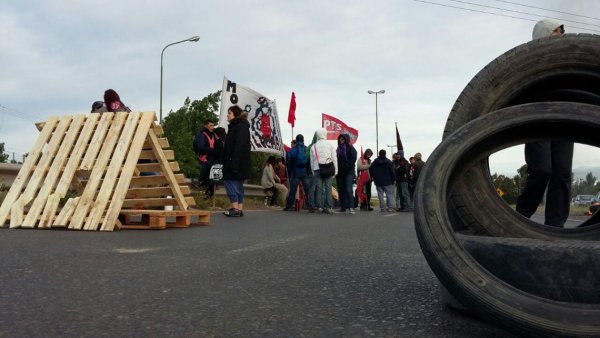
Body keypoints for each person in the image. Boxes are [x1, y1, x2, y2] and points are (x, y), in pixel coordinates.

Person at [516, 19, 571, 227]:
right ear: (544, 35)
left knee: (562, 175)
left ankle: (555, 227)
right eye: (557, 31)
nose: (562, 35)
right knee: (541, 171)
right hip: (538, 121)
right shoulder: (529, 61)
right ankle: (521, 216)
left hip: (566, 122)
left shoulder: (570, 59)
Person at [222, 105, 251, 217]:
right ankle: (238, 208)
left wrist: (234, 163)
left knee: (229, 182)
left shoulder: (239, 127)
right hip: (238, 161)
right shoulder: (239, 126)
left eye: (229, 113)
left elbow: (239, 146)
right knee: (238, 184)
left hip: (235, 161)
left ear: (234, 114)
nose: (227, 116)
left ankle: (235, 208)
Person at [310, 128, 337, 214]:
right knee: (328, 188)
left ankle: (320, 207)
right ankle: (329, 207)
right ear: (325, 134)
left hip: (317, 168)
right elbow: (334, 158)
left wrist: (313, 170)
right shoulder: (330, 145)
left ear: (317, 135)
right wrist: (336, 170)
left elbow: (311, 160)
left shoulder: (313, 146)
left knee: (319, 188)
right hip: (328, 169)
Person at [284, 135, 312, 211]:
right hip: (304, 171)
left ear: (296, 140)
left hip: (296, 171)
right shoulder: (306, 149)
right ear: (303, 140)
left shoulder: (294, 149)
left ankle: (289, 206)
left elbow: (289, 158)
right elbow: (310, 159)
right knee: (308, 189)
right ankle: (311, 205)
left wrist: (290, 168)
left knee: (293, 189)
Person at [193, 120, 217, 198]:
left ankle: (209, 197)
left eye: (213, 125)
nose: (212, 127)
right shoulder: (201, 135)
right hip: (205, 161)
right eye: (211, 125)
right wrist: (214, 150)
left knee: (211, 181)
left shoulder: (213, 135)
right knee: (206, 181)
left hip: (212, 161)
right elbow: (201, 148)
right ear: (205, 125)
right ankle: (205, 197)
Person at [336, 134, 357, 214]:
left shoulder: (351, 148)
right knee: (341, 190)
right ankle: (343, 207)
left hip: (348, 172)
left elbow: (352, 160)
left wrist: (345, 166)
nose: (341, 140)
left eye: (343, 139)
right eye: (340, 139)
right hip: (340, 173)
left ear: (346, 139)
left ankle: (351, 207)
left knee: (348, 189)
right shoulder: (338, 149)